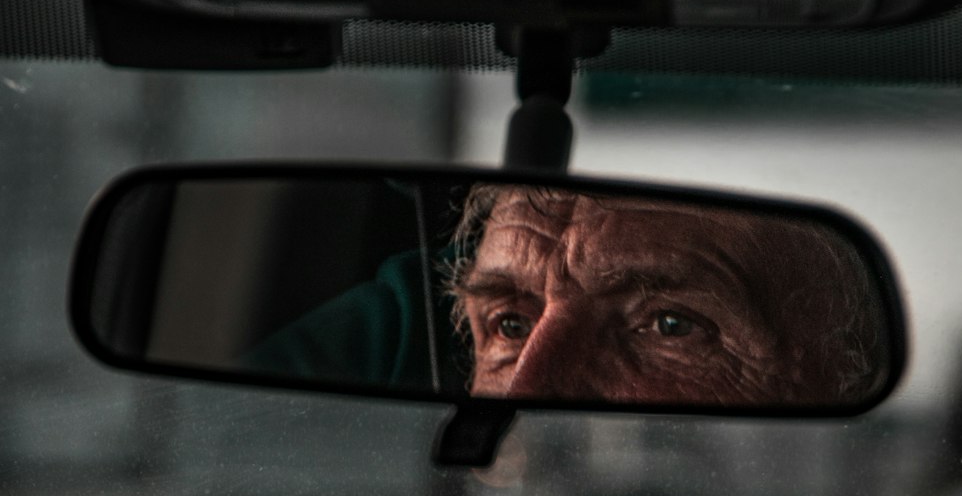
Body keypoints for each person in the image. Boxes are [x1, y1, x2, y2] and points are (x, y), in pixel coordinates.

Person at [250, 181, 889, 406]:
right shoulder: (385, 322)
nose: (527, 387)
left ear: (844, 374)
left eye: (669, 324)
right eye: (507, 324)